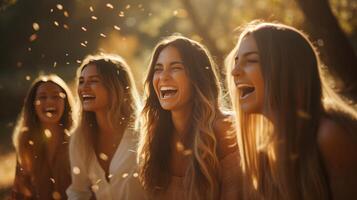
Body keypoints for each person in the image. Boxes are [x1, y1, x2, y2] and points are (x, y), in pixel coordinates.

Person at [226, 21, 357, 200]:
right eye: (236, 61)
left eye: (251, 60)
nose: (234, 72)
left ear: (286, 68)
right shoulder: (267, 149)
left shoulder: (328, 135)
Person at [138, 35, 240, 200]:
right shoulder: (155, 135)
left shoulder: (228, 130)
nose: (163, 77)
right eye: (158, 69)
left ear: (197, 77)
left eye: (175, 68)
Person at [66, 54, 146, 200]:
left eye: (94, 81)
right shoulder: (80, 137)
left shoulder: (144, 132)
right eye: (82, 81)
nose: (84, 88)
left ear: (115, 86)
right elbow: (78, 192)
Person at [12, 74, 75, 199]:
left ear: (66, 102)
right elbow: (20, 192)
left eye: (56, 96)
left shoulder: (77, 140)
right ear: (33, 105)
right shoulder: (26, 143)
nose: (49, 101)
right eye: (42, 97)